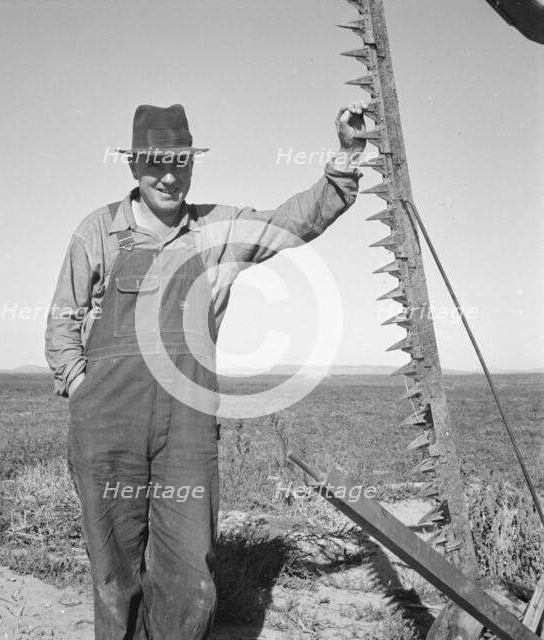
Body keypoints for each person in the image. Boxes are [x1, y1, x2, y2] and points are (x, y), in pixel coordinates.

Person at [45, 101, 366, 640]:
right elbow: (63, 318)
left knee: (190, 570)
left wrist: (346, 157)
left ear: (192, 165)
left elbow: (293, 221)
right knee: (114, 569)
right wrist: (78, 383)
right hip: (107, 421)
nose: (168, 176)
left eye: (179, 162)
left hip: (187, 423)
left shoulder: (220, 228)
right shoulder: (97, 231)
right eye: (155, 164)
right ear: (133, 166)